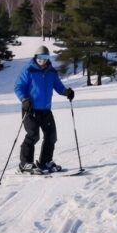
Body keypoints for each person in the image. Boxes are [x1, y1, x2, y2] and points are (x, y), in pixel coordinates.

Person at [13, 45, 74, 174]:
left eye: (45, 57)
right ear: (36, 57)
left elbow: (59, 87)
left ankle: (45, 162)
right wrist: (24, 99)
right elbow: (18, 86)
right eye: (40, 57)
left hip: (45, 110)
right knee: (33, 135)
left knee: (51, 136)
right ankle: (25, 164)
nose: (42, 60)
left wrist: (67, 92)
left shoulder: (52, 72)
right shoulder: (29, 70)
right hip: (30, 109)